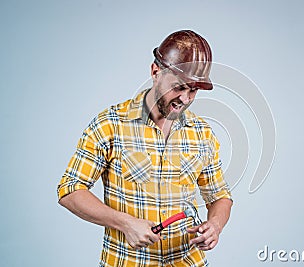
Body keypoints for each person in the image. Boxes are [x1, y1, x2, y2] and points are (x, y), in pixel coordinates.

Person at [57, 30, 233, 267]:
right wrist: (124, 222)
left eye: (193, 90)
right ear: (155, 72)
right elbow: (70, 191)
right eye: (179, 87)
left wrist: (215, 226)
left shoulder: (202, 133)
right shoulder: (110, 124)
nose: (185, 98)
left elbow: (219, 196)